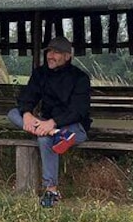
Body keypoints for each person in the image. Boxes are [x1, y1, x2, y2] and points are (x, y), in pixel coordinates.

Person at [7, 36, 91, 208]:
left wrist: (53, 123)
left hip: (75, 127)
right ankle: (58, 136)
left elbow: (78, 111)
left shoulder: (80, 78)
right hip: (47, 125)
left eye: (56, 52)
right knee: (13, 113)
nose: (50, 56)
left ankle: (50, 190)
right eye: (49, 52)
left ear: (68, 56)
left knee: (45, 139)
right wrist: (27, 113)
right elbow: (27, 97)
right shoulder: (40, 74)